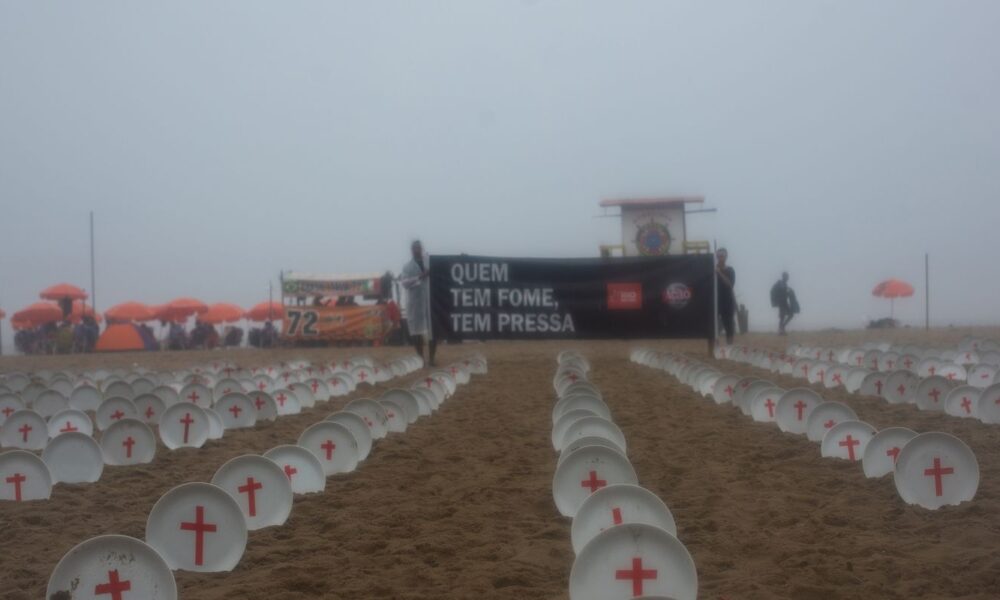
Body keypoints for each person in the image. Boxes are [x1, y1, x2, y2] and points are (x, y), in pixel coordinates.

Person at [400, 239, 436, 366]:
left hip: (430, 300)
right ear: (411, 250)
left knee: (433, 331)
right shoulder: (407, 266)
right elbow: (404, 283)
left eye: (419, 247)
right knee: (416, 332)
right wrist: (420, 277)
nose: (417, 250)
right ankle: (421, 359)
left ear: (421, 248)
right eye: (414, 248)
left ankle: (432, 359)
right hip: (415, 303)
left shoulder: (430, 262)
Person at [715, 247, 736, 345]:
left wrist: (719, 273)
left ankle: (730, 347)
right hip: (715, 301)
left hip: (727, 301)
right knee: (714, 327)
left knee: (729, 326)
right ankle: (716, 348)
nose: (720, 258)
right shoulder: (713, 269)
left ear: (726, 256)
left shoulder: (730, 270)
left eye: (722, 256)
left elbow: (729, 284)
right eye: (718, 256)